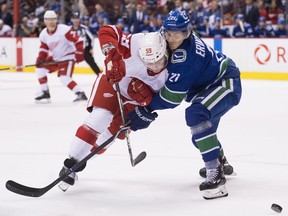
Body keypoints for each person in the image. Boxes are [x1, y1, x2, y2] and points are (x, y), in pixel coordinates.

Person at [127, 10, 242, 200]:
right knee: (200, 137)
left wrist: (147, 109)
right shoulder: (166, 38)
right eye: (169, 33)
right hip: (206, 87)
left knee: (196, 114)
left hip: (224, 82)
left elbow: (172, 99)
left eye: (178, 34)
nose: (172, 39)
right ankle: (220, 160)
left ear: (187, 33)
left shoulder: (185, 57)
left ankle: (216, 174)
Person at [57, 26, 168, 191]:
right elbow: (107, 30)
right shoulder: (136, 43)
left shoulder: (175, 68)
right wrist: (111, 51)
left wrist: (148, 106)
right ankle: (71, 163)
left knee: (111, 134)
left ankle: (82, 159)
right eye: (148, 62)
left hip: (135, 100)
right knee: (101, 117)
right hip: (113, 81)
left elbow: (169, 99)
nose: (153, 66)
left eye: (158, 61)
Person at [34, 10, 88, 103]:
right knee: (40, 69)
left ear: (56, 20)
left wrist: (79, 53)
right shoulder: (43, 34)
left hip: (68, 57)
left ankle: (80, 93)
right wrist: (40, 58)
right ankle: (45, 92)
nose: (51, 21)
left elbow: (79, 40)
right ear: (45, 21)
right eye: (48, 19)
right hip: (56, 58)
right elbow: (44, 48)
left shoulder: (64, 30)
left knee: (64, 77)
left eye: (53, 19)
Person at [70, 10, 102, 75]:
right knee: (69, 64)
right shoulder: (69, 29)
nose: (76, 20)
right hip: (73, 51)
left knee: (93, 64)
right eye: (74, 18)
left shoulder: (84, 29)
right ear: (71, 19)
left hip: (85, 50)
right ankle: (67, 78)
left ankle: (101, 76)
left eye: (77, 18)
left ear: (79, 19)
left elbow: (91, 38)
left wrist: (91, 48)